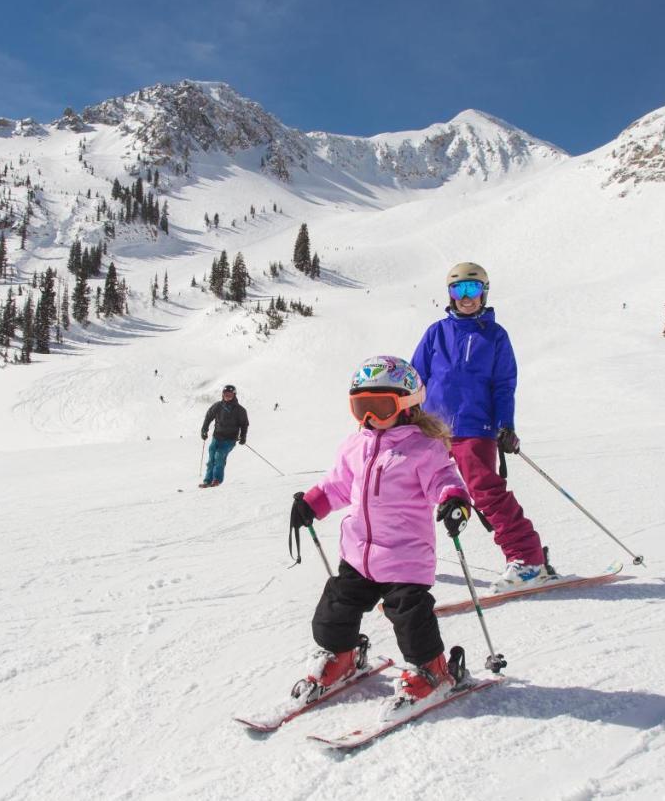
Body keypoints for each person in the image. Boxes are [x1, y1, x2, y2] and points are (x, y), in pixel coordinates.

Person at [289, 355, 474, 713]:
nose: (369, 418)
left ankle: (431, 669)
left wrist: (454, 501)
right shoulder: (355, 445)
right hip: (358, 555)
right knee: (334, 609)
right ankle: (340, 656)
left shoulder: (423, 447)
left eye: (380, 407)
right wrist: (312, 504)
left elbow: (444, 480)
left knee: (409, 617)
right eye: (362, 408)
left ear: (406, 406)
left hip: (404, 557)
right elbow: (337, 486)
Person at [411, 262, 554, 593]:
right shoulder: (436, 332)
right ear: (449, 294)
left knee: (485, 491)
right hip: (432, 428)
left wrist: (505, 425)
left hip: (476, 427)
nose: (465, 297)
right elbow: (415, 378)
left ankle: (528, 560)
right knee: (414, 489)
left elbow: (504, 385)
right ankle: (408, 560)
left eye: (472, 289)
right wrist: (407, 416)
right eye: (458, 289)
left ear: (484, 292)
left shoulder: (495, 336)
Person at [200, 384, 248, 487]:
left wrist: (243, 436)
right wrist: (204, 429)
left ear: (234, 395)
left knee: (219, 455)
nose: (227, 397)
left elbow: (244, 424)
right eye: (226, 394)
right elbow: (208, 416)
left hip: (229, 440)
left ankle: (217, 479)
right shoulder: (218, 406)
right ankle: (207, 481)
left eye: (230, 395)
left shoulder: (240, 410)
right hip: (217, 437)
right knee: (211, 458)